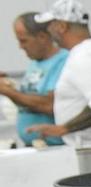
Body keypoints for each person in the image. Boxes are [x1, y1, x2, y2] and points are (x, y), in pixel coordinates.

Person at [21, 0, 91, 146]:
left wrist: (63, 129)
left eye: (49, 26)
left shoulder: (85, 56)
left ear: (61, 26)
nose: (48, 32)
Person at [3, 12, 70, 145]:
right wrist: (9, 86)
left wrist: (7, 91)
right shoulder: (35, 63)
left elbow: (50, 105)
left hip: (56, 147)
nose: (20, 47)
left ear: (42, 37)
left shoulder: (64, 61)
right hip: (37, 146)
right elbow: (29, 99)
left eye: (24, 40)